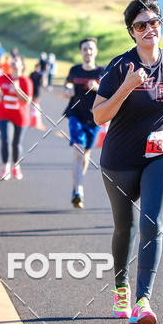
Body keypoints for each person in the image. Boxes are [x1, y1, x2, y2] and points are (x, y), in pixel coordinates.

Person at [92, 0, 163, 324]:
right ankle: (121, 288)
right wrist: (126, 87)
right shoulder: (120, 67)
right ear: (132, 31)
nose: (149, 29)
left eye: (153, 22)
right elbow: (99, 116)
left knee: (152, 223)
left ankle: (143, 300)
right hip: (121, 158)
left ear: (160, 24)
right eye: (141, 25)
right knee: (124, 227)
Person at [62, 38, 106, 208]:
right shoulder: (75, 70)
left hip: (94, 118)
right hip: (76, 116)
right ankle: (78, 190)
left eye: (91, 49)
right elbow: (67, 84)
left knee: (86, 154)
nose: (88, 52)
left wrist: (97, 88)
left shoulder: (102, 72)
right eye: (85, 49)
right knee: (79, 151)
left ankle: (77, 185)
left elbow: (110, 93)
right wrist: (68, 89)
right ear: (81, 52)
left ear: (96, 51)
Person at [0, 59, 33, 180]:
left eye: (17, 60)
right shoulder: (4, 78)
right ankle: (5, 168)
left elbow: (27, 101)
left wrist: (17, 90)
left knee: (16, 143)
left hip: (21, 116)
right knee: (5, 140)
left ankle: (16, 166)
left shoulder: (26, 81)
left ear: (22, 66)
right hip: (4, 114)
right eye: (13, 60)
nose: (14, 62)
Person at [28, 61, 45, 130]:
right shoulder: (34, 74)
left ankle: (35, 119)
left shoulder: (39, 74)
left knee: (35, 103)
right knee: (33, 104)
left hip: (36, 90)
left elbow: (42, 83)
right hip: (33, 89)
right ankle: (32, 119)